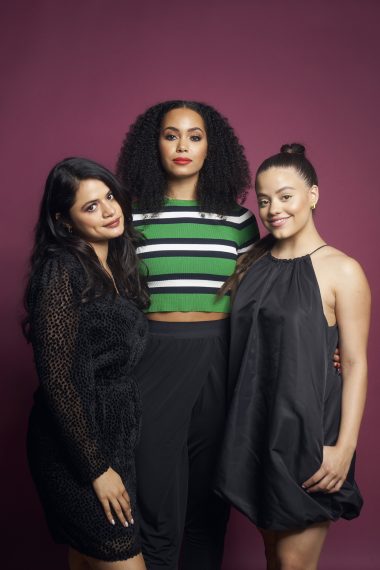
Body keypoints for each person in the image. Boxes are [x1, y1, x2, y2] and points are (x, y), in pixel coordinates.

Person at [116, 100, 260, 569]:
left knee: (208, 504)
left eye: (195, 136)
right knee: (156, 500)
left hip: (221, 358)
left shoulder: (238, 221)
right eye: (171, 134)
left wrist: (325, 348)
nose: (182, 146)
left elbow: (264, 300)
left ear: (210, 148)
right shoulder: (128, 219)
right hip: (153, 359)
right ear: (152, 145)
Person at [215, 144, 370, 570]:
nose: (272, 209)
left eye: (285, 196)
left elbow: (355, 363)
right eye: (263, 200)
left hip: (309, 439)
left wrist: (343, 448)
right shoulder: (253, 263)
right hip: (256, 434)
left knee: (293, 564)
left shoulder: (343, 270)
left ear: (313, 195)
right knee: (273, 557)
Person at [24, 158, 150, 570]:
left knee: (86, 560)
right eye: (91, 206)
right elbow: (58, 379)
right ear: (65, 221)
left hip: (115, 439)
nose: (109, 210)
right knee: (119, 555)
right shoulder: (61, 270)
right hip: (75, 451)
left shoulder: (116, 265)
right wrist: (96, 468)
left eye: (109, 196)